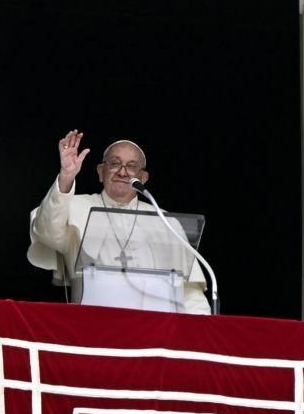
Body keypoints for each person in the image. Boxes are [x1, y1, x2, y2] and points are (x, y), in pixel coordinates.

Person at [28, 129, 210, 314]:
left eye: (132, 166)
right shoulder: (74, 207)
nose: (123, 172)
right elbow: (46, 231)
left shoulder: (165, 220)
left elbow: (189, 293)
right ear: (101, 172)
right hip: (93, 327)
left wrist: (203, 333)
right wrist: (66, 176)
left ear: (143, 178)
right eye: (114, 164)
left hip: (155, 330)